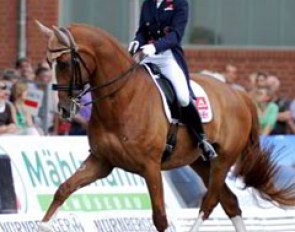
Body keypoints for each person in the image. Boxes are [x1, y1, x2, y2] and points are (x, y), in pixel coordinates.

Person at [128, 0, 216, 160]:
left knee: (182, 97)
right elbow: (142, 30)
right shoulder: (148, 3)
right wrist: (137, 41)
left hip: (168, 57)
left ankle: (202, 139)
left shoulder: (179, 3)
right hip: (147, 56)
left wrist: (155, 47)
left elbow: (176, 35)